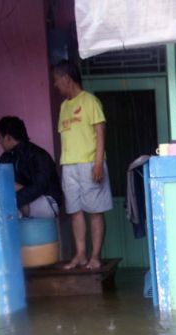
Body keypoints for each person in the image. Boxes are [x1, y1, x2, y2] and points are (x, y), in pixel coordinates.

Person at [52, 60, 111, 270]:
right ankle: (80, 255)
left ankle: (95, 256)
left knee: (95, 211)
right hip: (69, 165)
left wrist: (98, 163)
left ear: (66, 78)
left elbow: (100, 133)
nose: (55, 85)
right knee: (75, 211)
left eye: (57, 80)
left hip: (89, 163)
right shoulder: (64, 106)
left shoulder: (90, 101)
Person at [0, 116, 62, 218]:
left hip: (47, 202)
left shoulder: (38, 155)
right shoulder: (6, 157)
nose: (0, 142)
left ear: (8, 137)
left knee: (9, 189)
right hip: (23, 202)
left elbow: (40, 187)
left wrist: (14, 199)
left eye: (0, 138)